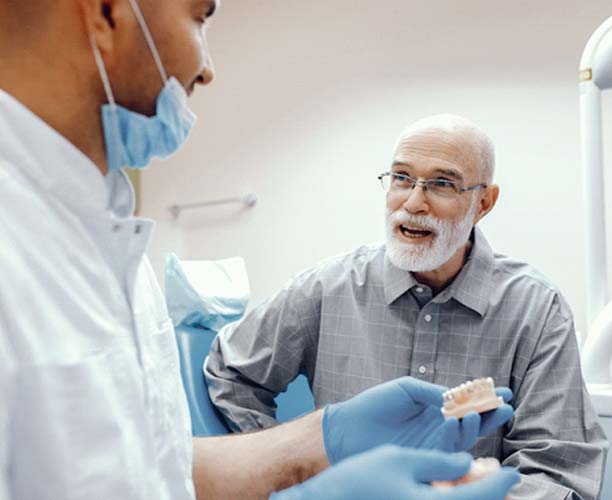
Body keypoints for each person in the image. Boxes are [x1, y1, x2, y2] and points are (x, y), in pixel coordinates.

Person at [0, 1, 520, 499]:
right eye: (199, 17)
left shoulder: (108, 235)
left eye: (443, 185)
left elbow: (156, 472)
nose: (206, 70)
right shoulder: (19, 242)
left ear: (485, 202)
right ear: (107, 10)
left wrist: (320, 439)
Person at [205, 114, 609, 499]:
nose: (414, 203)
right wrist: (293, 475)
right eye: (401, 178)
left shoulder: (536, 309)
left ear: (484, 203)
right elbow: (230, 372)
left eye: (442, 184)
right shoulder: (327, 288)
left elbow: (557, 469)